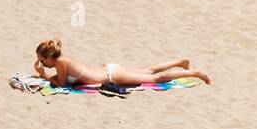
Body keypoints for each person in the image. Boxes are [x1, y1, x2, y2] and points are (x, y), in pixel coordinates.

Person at [34, 38, 211, 87]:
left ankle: (195, 72)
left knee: (157, 79)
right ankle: (180, 62)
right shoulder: (63, 59)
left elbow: (62, 84)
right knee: (148, 70)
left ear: (49, 56)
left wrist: (44, 75)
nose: (43, 64)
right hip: (110, 68)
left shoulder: (60, 62)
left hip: (112, 75)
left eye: (43, 60)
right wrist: (47, 75)